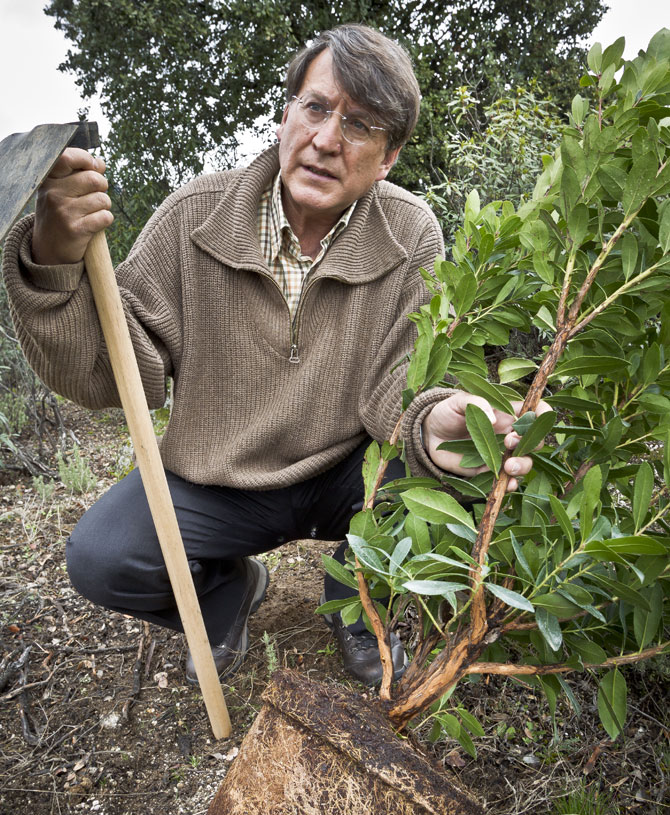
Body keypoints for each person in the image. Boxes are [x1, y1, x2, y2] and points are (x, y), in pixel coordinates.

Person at [2, 24, 538, 686]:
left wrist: (434, 424)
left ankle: (353, 598)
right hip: (219, 478)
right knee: (103, 556)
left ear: (389, 155)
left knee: (455, 474)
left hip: (347, 469)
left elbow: (398, 388)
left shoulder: (410, 233)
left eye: (361, 125)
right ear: (286, 114)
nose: (326, 139)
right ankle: (232, 592)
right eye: (315, 108)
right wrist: (53, 259)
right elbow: (117, 374)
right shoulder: (192, 216)